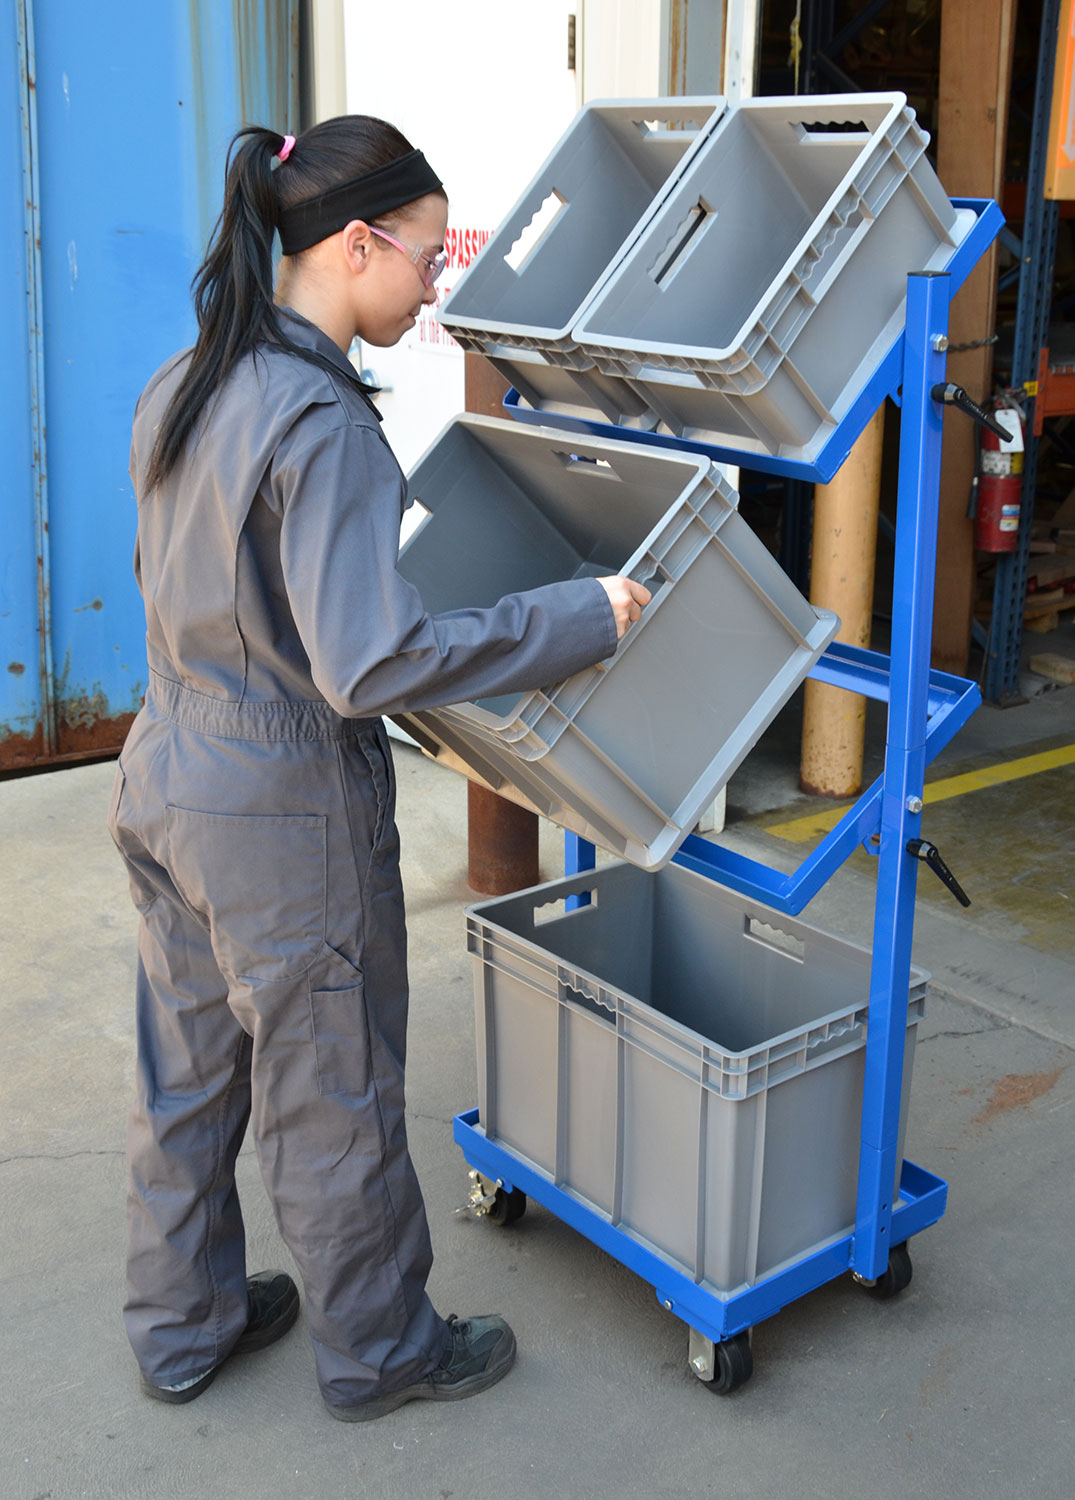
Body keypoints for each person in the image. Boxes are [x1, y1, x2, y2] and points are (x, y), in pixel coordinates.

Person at [107, 115, 650, 1423]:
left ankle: (182, 1325)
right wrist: (578, 618)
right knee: (330, 1088)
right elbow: (369, 664)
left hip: (168, 768)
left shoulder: (189, 376)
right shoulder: (325, 421)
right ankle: (384, 1352)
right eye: (426, 254)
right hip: (279, 810)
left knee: (187, 1071)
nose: (433, 283)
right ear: (357, 244)